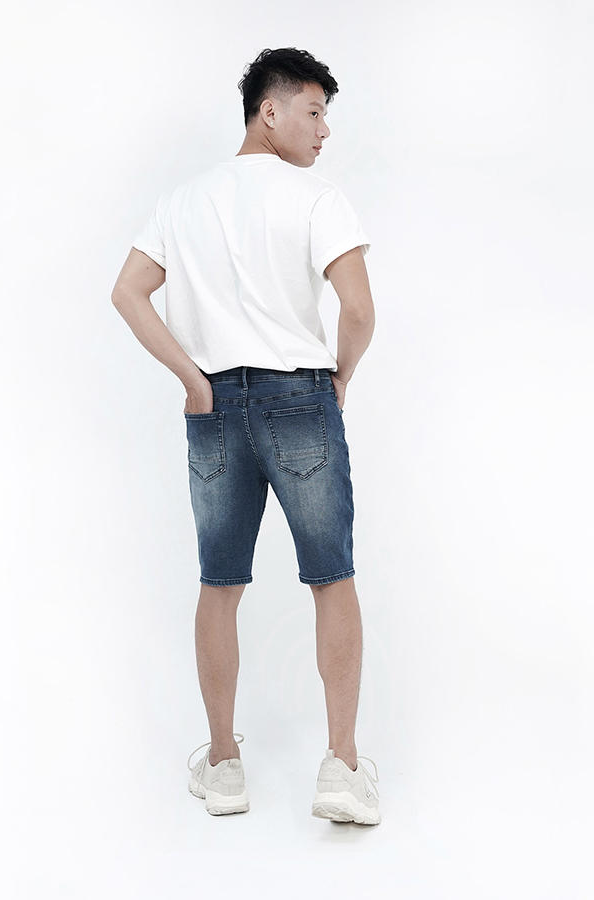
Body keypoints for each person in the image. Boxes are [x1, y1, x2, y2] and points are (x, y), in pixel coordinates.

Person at [111, 47, 379, 825]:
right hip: (301, 399)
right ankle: (342, 767)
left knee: (219, 584)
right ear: (269, 111)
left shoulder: (182, 202)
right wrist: (342, 375)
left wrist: (192, 381)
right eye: (314, 112)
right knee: (331, 577)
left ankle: (224, 766)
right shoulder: (318, 198)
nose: (324, 131)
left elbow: (127, 292)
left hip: (215, 408)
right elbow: (359, 311)